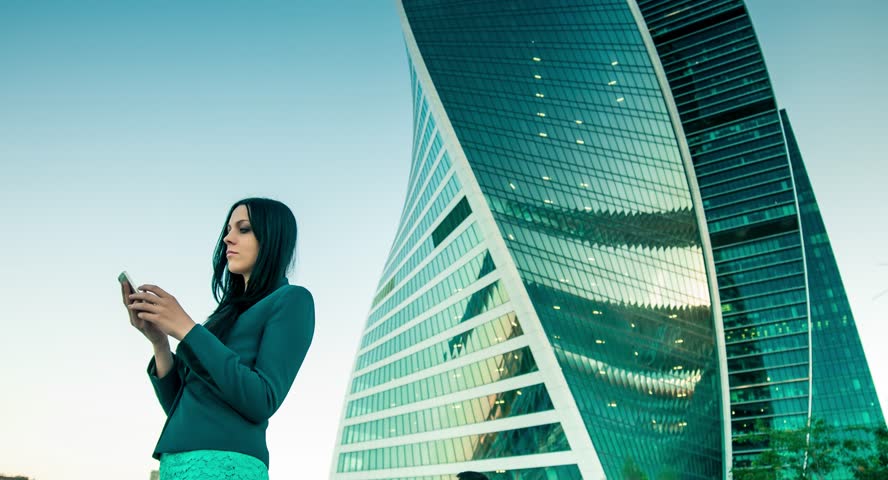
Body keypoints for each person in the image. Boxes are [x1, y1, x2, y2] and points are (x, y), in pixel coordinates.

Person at [120, 197, 315, 480]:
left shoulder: (292, 300)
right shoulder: (223, 317)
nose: (227, 238)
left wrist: (187, 329)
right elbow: (179, 405)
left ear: (273, 238)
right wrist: (159, 342)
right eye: (228, 229)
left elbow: (262, 399)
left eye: (243, 229)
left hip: (226, 465)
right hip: (175, 465)